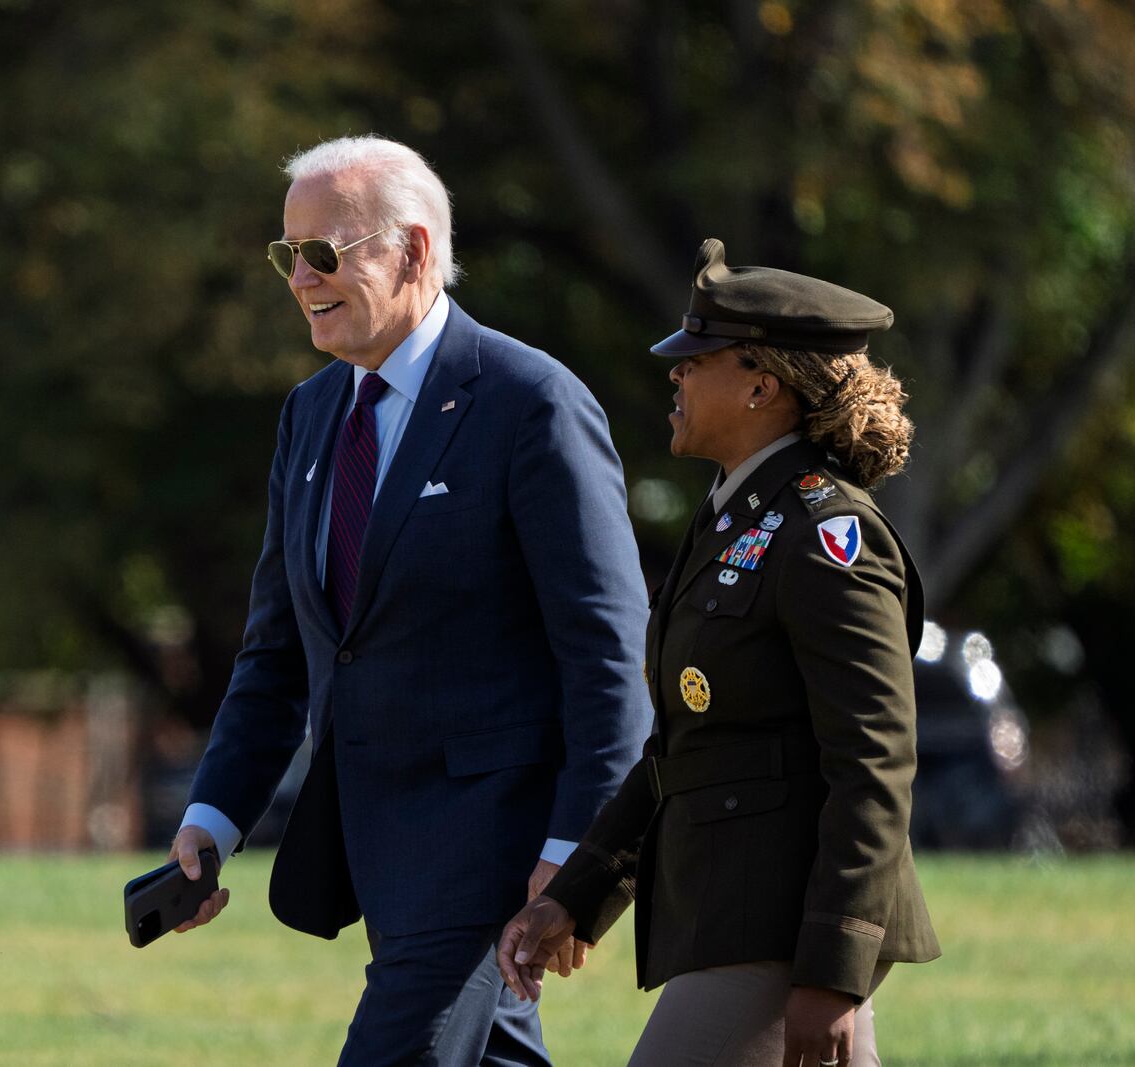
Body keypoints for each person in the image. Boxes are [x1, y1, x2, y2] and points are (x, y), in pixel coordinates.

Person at [167, 135, 652, 1066]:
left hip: (491, 847)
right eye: (287, 254)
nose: (300, 277)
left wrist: (581, 855)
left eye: (325, 252)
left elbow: (604, 650)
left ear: (415, 251)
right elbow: (279, 650)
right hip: (373, 846)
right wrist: (214, 815)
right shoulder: (309, 415)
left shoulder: (531, 401)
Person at [497, 238, 941, 1067]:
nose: (675, 375)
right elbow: (682, 750)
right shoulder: (736, 519)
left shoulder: (823, 533)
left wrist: (835, 967)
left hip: (782, 929)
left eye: (695, 360)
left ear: (761, 384)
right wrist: (574, 896)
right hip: (733, 917)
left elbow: (875, 761)